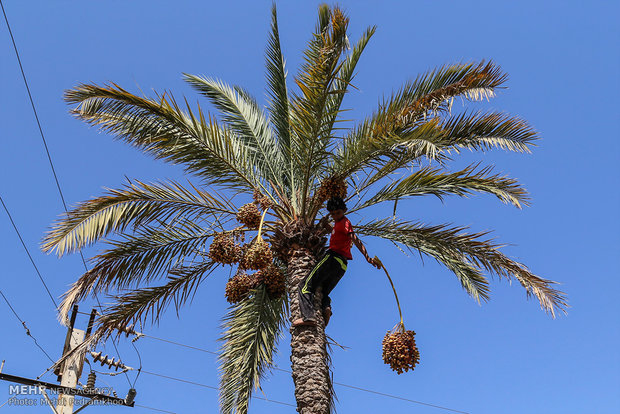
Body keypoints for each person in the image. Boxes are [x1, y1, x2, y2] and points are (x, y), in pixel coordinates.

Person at [293, 196, 380, 327]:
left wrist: (367, 257)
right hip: (342, 266)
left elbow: (355, 239)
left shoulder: (345, 223)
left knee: (304, 286)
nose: (335, 216)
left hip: (332, 258)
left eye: (338, 213)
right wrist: (325, 225)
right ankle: (326, 308)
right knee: (323, 291)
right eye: (332, 214)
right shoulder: (339, 225)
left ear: (344, 210)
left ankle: (308, 317)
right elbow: (335, 232)